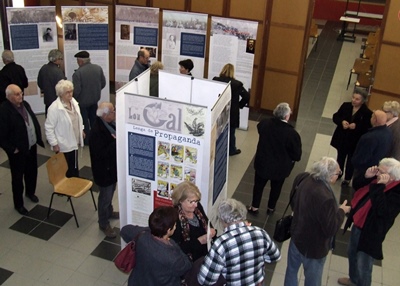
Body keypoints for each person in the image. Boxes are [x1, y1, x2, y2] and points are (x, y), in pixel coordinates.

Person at [284, 157, 351, 286]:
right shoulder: (326, 198)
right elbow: (331, 228)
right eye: (338, 173)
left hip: (296, 237)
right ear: (330, 176)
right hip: (314, 248)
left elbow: (293, 202)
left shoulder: (303, 178)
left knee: (291, 271)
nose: (338, 176)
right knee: (313, 281)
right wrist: (342, 210)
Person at [338, 158, 400, 286]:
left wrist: (379, 187)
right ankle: (353, 280)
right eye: (378, 169)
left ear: (392, 177)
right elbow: (357, 186)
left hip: (371, 233)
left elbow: (382, 212)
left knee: (364, 265)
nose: (377, 174)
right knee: (351, 252)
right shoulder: (377, 179)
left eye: (381, 172)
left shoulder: (396, 193)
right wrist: (366, 177)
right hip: (358, 223)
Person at [198, 198, 281, 286]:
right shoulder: (260, 232)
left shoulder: (221, 244)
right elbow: (275, 256)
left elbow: (206, 280)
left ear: (223, 220)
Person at [247, 102, 302, 215]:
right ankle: (271, 208)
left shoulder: (265, 123)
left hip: (263, 163)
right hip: (280, 168)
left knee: (258, 186)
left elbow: (259, 129)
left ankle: (254, 207)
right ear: (287, 116)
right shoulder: (292, 134)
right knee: (276, 188)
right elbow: (297, 155)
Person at [0, 84, 44, 215]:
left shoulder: (25, 104)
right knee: (18, 178)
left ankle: (30, 192)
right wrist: (12, 149)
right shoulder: (4, 111)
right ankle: (18, 204)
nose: (21, 96)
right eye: (17, 94)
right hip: (18, 151)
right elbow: (1, 135)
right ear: (9, 96)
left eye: (21, 93)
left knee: (32, 171)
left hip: (31, 146)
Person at [120, 206, 192, 286]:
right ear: (168, 230)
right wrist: (173, 244)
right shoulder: (172, 256)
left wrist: (151, 229)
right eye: (175, 225)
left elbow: (124, 230)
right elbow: (187, 266)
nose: (175, 227)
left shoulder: (142, 236)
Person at [330, 88, 372, 187]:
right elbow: (336, 116)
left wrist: (357, 126)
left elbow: (368, 127)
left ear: (363, 101)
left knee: (351, 161)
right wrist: (342, 122)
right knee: (340, 157)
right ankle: (338, 173)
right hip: (342, 138)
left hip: (355, 142)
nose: (354, 100)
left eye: (357, 99)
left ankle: (347, 178)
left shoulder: (367, 113)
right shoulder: (346, 106)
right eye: (353, 97)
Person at [89, 102, 118, 238]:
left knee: (111, 192)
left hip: (111, 169)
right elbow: (101, 154)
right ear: (105, 115)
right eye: (113, 111)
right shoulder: (96, 132)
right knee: (105, 197)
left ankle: (109, 212)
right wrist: (115, 142)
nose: (115, 113)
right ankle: (103, 222)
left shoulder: (109, 124)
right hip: (104, 171)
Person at [45, 79, 84, 178]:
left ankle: (75, 181)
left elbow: (79, 118)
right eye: (67, 92)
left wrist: (81, 130)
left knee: (74, 165)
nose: (70, 94)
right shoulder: (54, 108)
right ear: (60, 94)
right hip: (63, 143)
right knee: (65, 167)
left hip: (74, 140)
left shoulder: (74, 103)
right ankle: (66, 187)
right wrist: (54, 143)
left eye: (71, 91)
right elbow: (49, 127)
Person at [213, 63, 250, 156]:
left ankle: (216, 148)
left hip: (219, 108)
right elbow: (247, 96)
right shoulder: (237, 84)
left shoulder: (216, 80)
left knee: (217, 129)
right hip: (232, 110)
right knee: (231, 131)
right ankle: (231, 150)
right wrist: (239, 105)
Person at [352, 110, 392, 191]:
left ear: (375, 120)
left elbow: (361, 158)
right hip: (377, 169)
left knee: (358, 191)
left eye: (372, 116)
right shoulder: (388, 132)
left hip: (365, 171)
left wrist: (353, 161)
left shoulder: (369, 137)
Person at [72, 51, 106, 145]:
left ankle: (86, 140)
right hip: (94, 100)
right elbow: (103, 83)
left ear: (80, 61)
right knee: (94, 120)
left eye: (77, 61)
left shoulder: (78, 73)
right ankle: (96, 138)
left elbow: (77, 90)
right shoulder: (98, 68)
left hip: (82, 102)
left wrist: (74, 100)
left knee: (83, 122)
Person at [37, 49, 66, 115]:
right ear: (57, 59)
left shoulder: (43, 68)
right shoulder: (58, 72)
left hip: (47, 100)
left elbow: (40, 84)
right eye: (61, 59)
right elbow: (62, 88)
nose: (62, 61)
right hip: (57, 102)